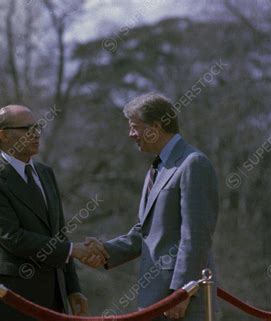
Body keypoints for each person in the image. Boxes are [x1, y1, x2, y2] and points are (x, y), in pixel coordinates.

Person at [83, 93, 219, 320]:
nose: (131, 134)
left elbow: (196, 235)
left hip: (181, 304)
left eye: (135, 127)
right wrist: (106, 250)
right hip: (156, 301)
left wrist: (183, 292)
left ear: (155, 127)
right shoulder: (157, 169)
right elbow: (145, 233)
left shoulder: (193, 163)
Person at [0, 105, 103, 321]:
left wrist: (73, 288)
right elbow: (12, 238)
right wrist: (72, 250)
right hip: (13, 299)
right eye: (27, 128)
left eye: (37, 127)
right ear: (4, 135)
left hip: (54, 299)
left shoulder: (45, 173)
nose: (35, 134)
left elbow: (58, 233)